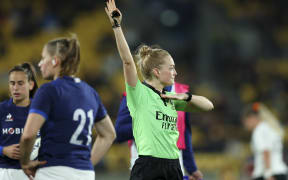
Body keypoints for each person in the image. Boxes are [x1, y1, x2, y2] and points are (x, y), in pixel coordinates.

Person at [105, 1, 214, 179]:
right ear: (156, 72)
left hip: (173, 166)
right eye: (170, 68)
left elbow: (208, 106)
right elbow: (127, 61)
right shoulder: (139, 93)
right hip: (148, 166)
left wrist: (183, 96)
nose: (175, 72)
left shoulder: (172, 99)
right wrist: (116, 26)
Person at [19, 35, 116, 180]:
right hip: (85, 174)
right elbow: (109, 134)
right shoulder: (91, 92)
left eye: (43, 58)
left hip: (53, 171)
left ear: (55, 61)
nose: (39, 64)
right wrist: (86, 163)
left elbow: (28, 135)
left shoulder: (49, 90)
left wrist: (25, 163)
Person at [115, 82, 203, 180]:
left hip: (174, 164)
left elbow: (184, 132)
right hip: (145, 162)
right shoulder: (137, 93)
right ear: (156, 70)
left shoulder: (181, 92)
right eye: (170, 67)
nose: (175, 72)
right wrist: (151, 124)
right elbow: (120, 132)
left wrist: (191, 168)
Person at [0, 63, 39, 180]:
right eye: (12, 83)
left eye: (20, 83)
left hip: (35, 173)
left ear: (31, 85)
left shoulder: (41, 110)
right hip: (6, 172)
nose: (15, 88)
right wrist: (3, 150)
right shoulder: (1, 109)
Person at [242, 102, 287, 180]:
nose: (245, 125)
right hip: (280, 171)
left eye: (246, 121)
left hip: (266, 174)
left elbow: (266, 151)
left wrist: (268, 174)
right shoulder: (272, 128)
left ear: (252, 118)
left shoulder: (259, 130)